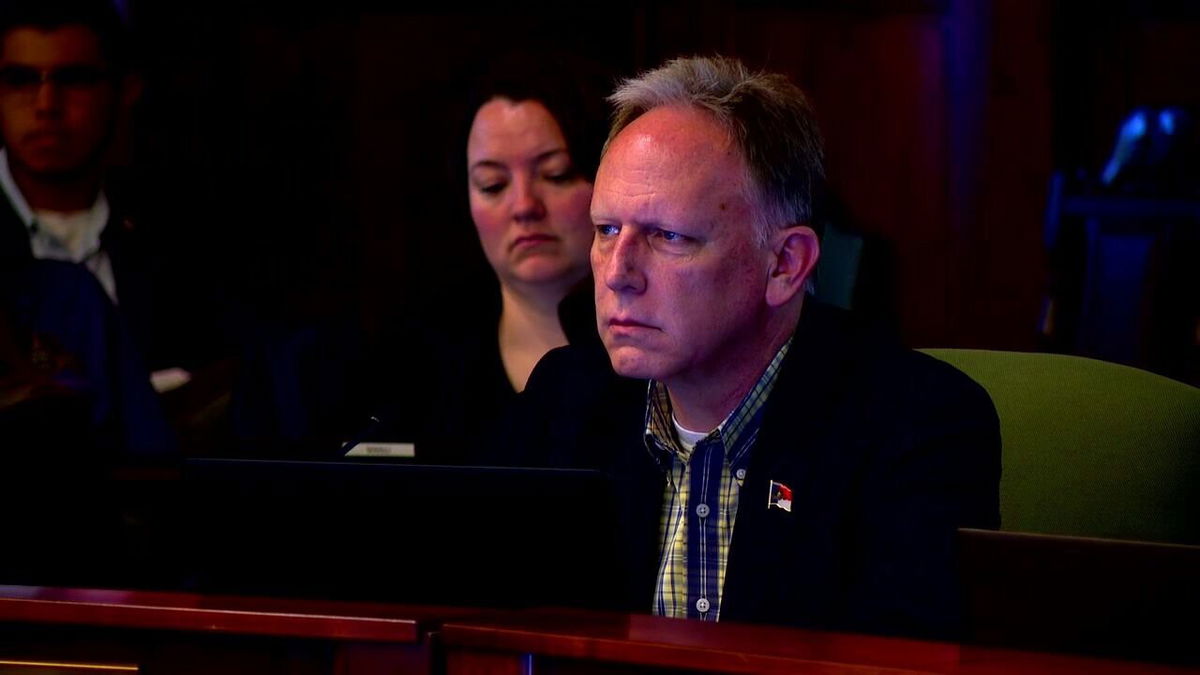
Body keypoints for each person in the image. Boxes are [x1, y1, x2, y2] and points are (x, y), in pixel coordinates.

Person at [513, 56, 1001, 639]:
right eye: (607, 231)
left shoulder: (918, 424)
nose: (619, 273)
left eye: (669, 236)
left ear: (785, 264)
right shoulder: (564, 401)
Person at [357, 53, 612, 463]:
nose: (524, 206)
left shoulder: (654, 371)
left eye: (557, 174)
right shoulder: (416, 376)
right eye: (493, 185)